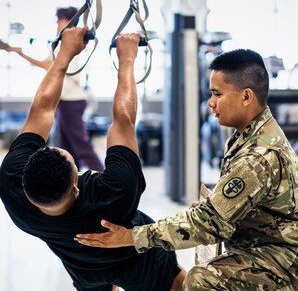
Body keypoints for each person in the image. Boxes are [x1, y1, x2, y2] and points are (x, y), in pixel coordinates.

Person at [74, 49, 298, 290]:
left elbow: (206, 224)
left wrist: (130, 237)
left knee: (202, 279)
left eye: (217, 94)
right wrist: (215, 204)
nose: (211, 103)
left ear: (246, 97)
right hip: (261, 244)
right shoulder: (251, 135)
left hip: (281, 260)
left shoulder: (257, 156)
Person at [0, 29, 186, 291]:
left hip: (83, 268)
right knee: (178, 284)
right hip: (138, 259)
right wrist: (127, 59)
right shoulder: (115, 190)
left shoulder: (13, 191)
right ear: (76, 187)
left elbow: (41, 110)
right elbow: (123, 122)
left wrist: (64, 54)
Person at [1, 6, 104, 171]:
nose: (57, 22)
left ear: (68, 20)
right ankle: (71, 180)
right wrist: (17, 52)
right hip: (64, 102)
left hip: (72, 102)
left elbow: (51, 66)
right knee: (66, 147)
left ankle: (104, 179)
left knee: (80, 145)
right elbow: (46, 64)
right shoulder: (61, 43)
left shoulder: (74, 42)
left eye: (60, 18)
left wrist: (20, 53)